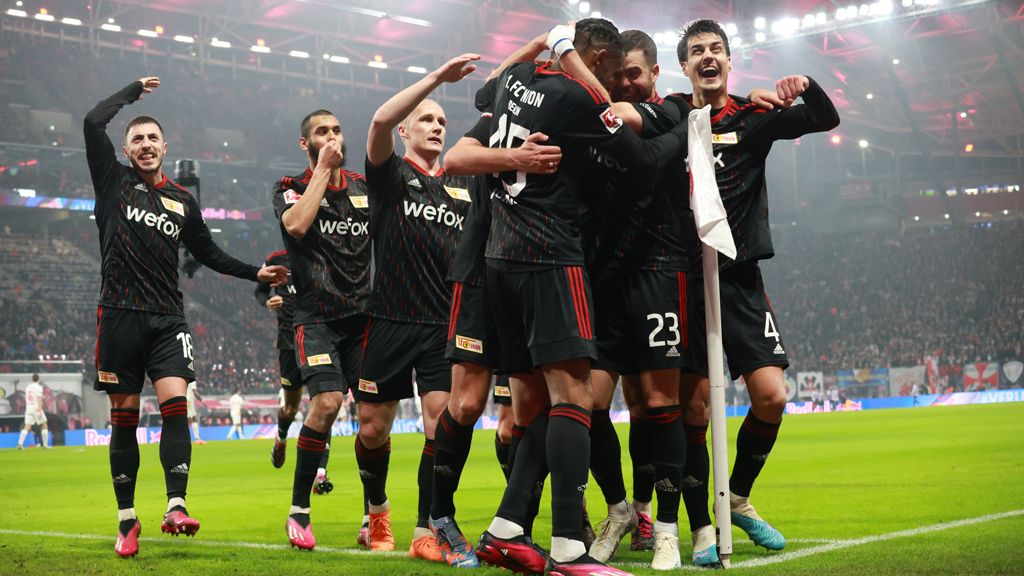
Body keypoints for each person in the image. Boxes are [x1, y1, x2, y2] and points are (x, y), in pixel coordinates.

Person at [456, 18, 690, 576]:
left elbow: (483, 92)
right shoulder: (579, 95)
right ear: (600, 57)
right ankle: (568, 547)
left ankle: (506, 529)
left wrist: (546, 43)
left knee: (536, 405)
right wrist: (687, 130)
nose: (611, 82)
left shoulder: (515, 80)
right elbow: (639, 161)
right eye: (611, 69)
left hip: (500, 259)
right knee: (575, 395)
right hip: (549, 255)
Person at [84, 76, 287, 558]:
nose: (146, 144)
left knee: (178, 407)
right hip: (118, 317)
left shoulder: (181, 200)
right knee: (124, 418)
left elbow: (208, 252)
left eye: (153, 138)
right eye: (137, 139)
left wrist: (255, 272)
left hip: (167, 320)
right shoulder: (112, 181)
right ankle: (127, 519)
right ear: (128, 149)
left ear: (165, 146)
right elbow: (93, 121)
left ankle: (176, 505)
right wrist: (132, 91)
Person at [676, 19, 840, 566]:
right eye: (697, 50)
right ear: (684, 66)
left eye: (716, 49)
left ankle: (739, 497)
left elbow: (824, 118)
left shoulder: (754, 117)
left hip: (740, 278)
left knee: (772, 395)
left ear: (728, 61)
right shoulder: (673, 115)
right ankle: (701, 527)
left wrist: (805, 86)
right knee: (694, 413)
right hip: (684, 280)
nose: (707, 57)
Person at [430, 34, 567, 567]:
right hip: (483, 270)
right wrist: (537, 42)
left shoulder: (573, 126)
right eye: (547, 66)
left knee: (530, 412)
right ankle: (440, 518)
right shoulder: (504, 116)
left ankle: (515, 527)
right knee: (464, 404)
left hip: (536, 274)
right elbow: (455, 157)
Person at [355, 53, 479, 563]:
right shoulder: (388, 176)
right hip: (388, 319)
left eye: (442, 121)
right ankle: (377, 509)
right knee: (371, 428)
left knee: (438, 423)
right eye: (426, 119)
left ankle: (427, 530)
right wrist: (436, 80)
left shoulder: (464, 183)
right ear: (407, 130)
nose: (436, 126)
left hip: (441, 325)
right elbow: (379, 120)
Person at [273, 108, 372, 551]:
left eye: (336, 129)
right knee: (328, 402)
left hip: (365, 319)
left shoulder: (365, 188)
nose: (331, 136)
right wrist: (323, 172)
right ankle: (299, 510)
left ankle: (375, 516)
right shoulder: (289, 188)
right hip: (314, 319)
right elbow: (295, 226)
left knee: (374, 421)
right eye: (321, 131)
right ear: (305, 144)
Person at [255, 250, 333, 494]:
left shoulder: (324, 255)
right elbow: (260, 290)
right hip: (289, 343)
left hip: (317, 340)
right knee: (290, 408)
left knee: (325, 402)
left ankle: (320, 473)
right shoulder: (275, 259)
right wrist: (267, 302)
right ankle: (281, 437)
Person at [17, 374, 49, 449]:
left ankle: (20, 444)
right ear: (38, 379)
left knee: (27, 426)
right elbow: (39, 399)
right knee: (44, 425)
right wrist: (40, 410)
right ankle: (45, 445)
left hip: (28, 408)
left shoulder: (28, 387)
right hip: (36, 408)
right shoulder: (39, 387)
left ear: (32, 379)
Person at [185, 380, 205, 444]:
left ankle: (197, 438)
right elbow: (194, 391)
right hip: (189, 400)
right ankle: (185, 439)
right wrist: (201, 399)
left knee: (194, 418)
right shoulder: (191, 379)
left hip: (185, 399)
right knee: (190, 419)